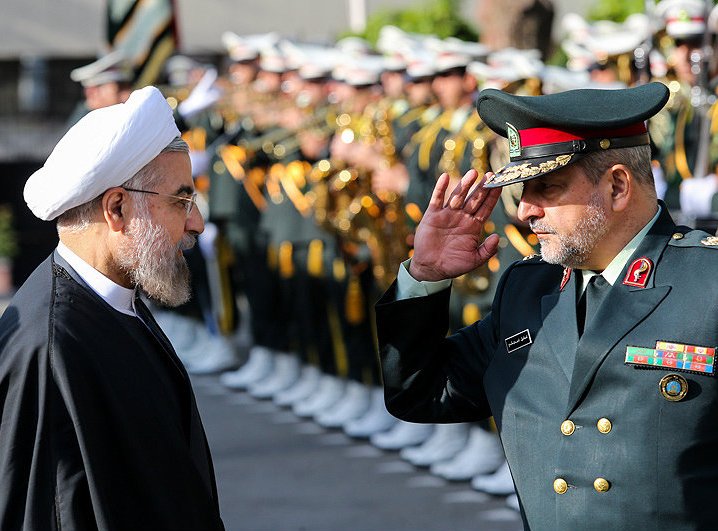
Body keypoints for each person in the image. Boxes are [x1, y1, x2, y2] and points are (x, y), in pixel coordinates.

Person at [376, 81, 718, 529]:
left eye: (547, 188)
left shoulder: (707, 282)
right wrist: (425, 276)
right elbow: (423, 394)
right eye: (523, 191)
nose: (525, 211)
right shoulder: (528, 288)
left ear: (618, 186)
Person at [0, 87, 224, 530]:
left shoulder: (113, 301)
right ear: (117, 208)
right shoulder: (54, 346)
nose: (196, 222)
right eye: (181, 201)